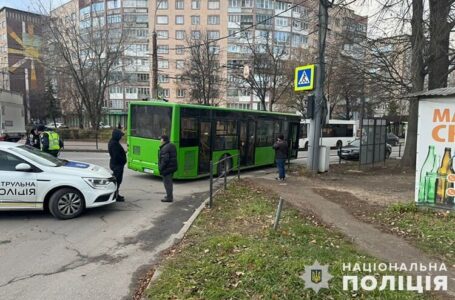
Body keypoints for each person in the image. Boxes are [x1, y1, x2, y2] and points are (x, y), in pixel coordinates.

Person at [108, 128, 127, 202]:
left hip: (116, 164)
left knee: (117, 181)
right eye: (120, 136)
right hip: (117, 165)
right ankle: (115, 196)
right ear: (116, 136)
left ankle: (116, 194)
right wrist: (123, 161)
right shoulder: (114, 144)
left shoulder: (114, 142)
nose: (121, 137)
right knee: (117, 181)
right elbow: (116, 156)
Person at [159, 135, 178, 203]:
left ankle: (169, 197)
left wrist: (161, 168)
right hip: (171, 167)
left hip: (167, 169)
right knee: (169, 183)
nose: (160, 140)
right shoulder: (171, 145)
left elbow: (165, 160)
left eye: (161, 139)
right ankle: (169, 196)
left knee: (167, 183)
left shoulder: (165, 148)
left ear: (164, 140)